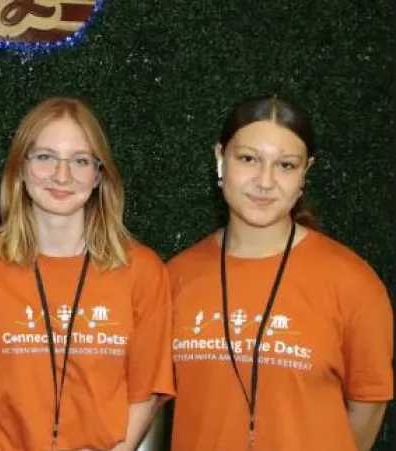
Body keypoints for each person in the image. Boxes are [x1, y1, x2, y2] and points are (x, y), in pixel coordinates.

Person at [0, 96, 174, 451]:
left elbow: (144, 391)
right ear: (20, 168)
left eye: (80, 161)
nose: (61, 175)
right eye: (45, 157)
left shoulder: (143, 272)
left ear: (99, 175)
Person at [167, 94, 393, 450]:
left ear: (306, 172)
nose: (265, 181)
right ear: (220, 158)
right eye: (248, 159)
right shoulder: (175, 277)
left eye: (286, 165)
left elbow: (368, 405)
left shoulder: (353, 282)